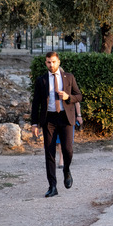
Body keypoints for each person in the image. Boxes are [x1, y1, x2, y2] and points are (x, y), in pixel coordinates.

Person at [31, 52, 82, 197]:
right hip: (49, 119)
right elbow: (35, 103)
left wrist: (68, 97)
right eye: (48, 62)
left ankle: (66, 170)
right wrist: (34, 124)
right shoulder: (41, 80)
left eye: (53, 62)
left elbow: (79, 96)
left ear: (58, 62)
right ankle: (52, 186)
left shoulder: (69, 77)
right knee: (49, 152)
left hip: (66, 118)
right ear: (45, 63)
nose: (51, 65)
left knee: (68, 149)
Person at [57, 98, 83, 168]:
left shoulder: (71, 87)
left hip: (69, 116)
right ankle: (61, 160)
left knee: (68, 140)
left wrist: (79, 115)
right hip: (57, 115)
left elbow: (76, 101)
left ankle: (67, 157)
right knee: (59, 139)